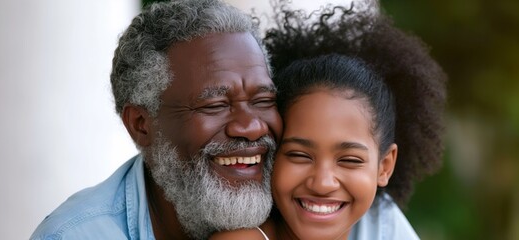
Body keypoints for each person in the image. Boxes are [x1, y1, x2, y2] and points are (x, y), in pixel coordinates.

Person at [30, 0, 426, 239]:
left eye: (263, 99)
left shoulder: (341, 209)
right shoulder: (78, 235)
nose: (250, 126)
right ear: (142, 124)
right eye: (214, 105)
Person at [211, 3, 447, 239]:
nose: (322, 184)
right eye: (299, 155)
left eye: (350, 160)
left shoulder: (382, 223)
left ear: (384, 167)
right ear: (270, 155)